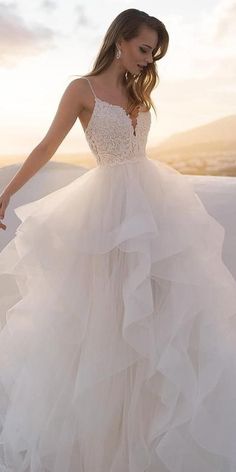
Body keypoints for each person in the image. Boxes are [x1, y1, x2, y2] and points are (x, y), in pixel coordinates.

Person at [0, 7, 236, 472]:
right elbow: (46, 146)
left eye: (154, 55)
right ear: (120, 40)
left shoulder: (137, 90)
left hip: (153, 212)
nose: (149, 62)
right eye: (144, 49)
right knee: (108, 321)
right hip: (106, 215)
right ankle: (103, 445)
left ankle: (147, 438)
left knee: (157, 319)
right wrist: (5, 196)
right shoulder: (81, 90)